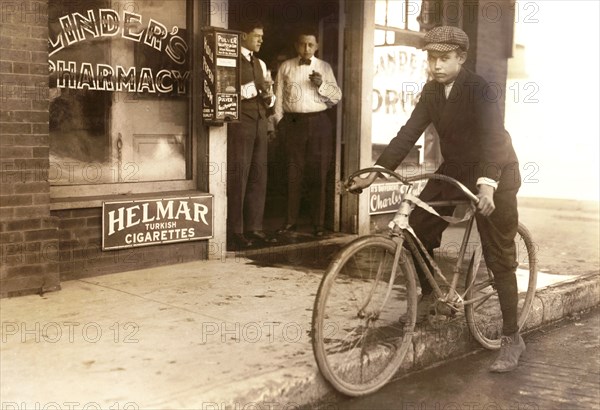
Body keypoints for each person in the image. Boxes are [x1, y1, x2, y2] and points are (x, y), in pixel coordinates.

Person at [347, 26, 524, 373]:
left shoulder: (479, 89)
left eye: (444, 58)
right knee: (416, 228)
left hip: (496, 172)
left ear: (461, 57)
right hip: (456, 169)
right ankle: (432, 296)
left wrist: (487, 185)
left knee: (498, 255)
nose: (436, 65)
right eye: (431, 58)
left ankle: (512, 336)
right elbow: (408, 132)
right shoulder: (431, 91)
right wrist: (377, 171)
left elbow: (493, 139)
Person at [273, 29, 342, 237]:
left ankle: (318, 224)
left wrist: (322, 86)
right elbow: (278, 96)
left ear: (316, 47)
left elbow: (336, 97)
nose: (306, 48)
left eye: (310, 45)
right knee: (293, 173)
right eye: (302, 44)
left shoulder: (324, 67)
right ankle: (290, 222)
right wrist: (279, 123)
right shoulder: (286, 67)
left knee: (318, 174)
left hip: (319, 123)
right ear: (296, 46)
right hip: (293, 123)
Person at [227, 20, 277, 250]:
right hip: (240, 123)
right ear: (243, 35)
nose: (260, 40)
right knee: (240, 176)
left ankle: (253, 227)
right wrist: (249, 91)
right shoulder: (228, 59)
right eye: (257, 36)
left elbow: (269, 95)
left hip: (258, 121)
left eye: (262, 37)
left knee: (259, 175)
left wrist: (269, 97)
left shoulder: (261, 63)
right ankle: (234, 231)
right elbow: (223, 89)